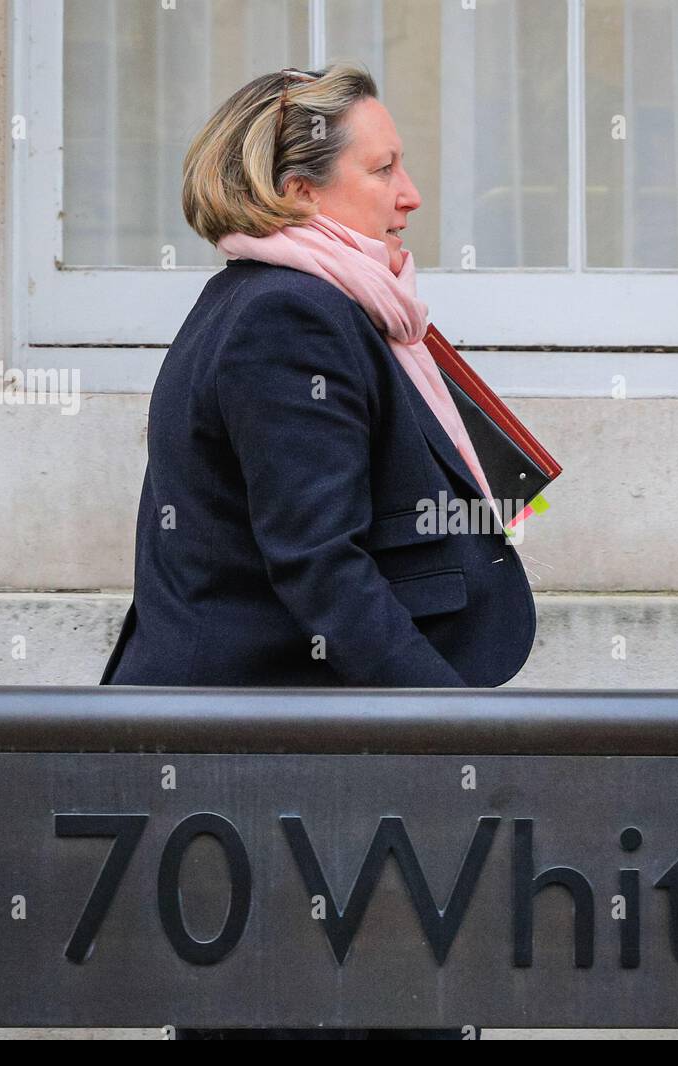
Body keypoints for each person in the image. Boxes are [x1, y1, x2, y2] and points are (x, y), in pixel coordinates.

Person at [99, 62, 536, 691]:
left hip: (272, 716)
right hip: (252, 733)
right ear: (302, 191)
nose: (410, 194)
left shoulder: (283, 299)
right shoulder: (288, 316)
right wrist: (444, 725)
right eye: (383, 170)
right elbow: (321, 563)